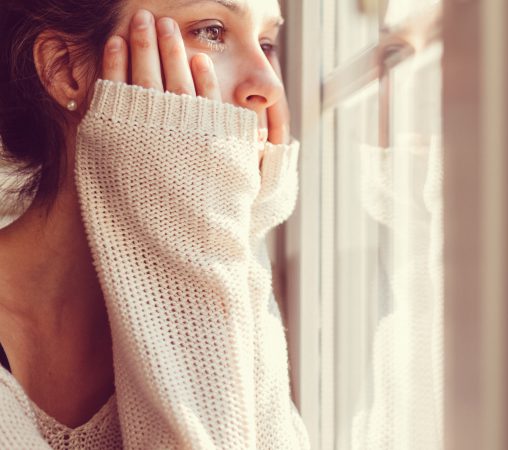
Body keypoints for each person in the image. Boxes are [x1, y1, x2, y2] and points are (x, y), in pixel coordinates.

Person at [0, 0, 309, 448]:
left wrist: (234, 237)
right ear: (66, 69)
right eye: (211, 31)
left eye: (266, 43)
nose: (268, 85)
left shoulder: (225, 280)